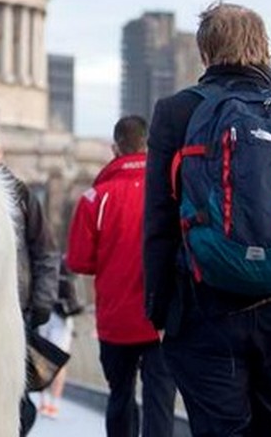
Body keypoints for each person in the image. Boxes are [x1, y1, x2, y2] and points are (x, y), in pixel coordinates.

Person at [144, 2, 271, 437]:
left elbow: (159, 222)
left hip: (202, 305)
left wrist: (160, 307)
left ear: (205, 54)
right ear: (263, 49)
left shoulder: (175, 113)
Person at [67, 115, 177, 437]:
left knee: (120, 397)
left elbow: (79, 261)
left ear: (115, 148)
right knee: (160, 401)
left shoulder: (94, 199)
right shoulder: (170, 193)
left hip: (115, 321)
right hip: (162, 318)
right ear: (148, 146)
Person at [0, 125, 59, 436]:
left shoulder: (21, 195)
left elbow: (46, 252)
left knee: (14, 399)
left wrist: (43, 303)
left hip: (14, 313)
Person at [37, 256, 83, 419]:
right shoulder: (68, 261)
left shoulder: (46, 259)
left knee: (42, 358)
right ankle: (53, 404)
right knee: (60, 360)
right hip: (62, 316)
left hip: (44, 311)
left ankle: (44, 402)